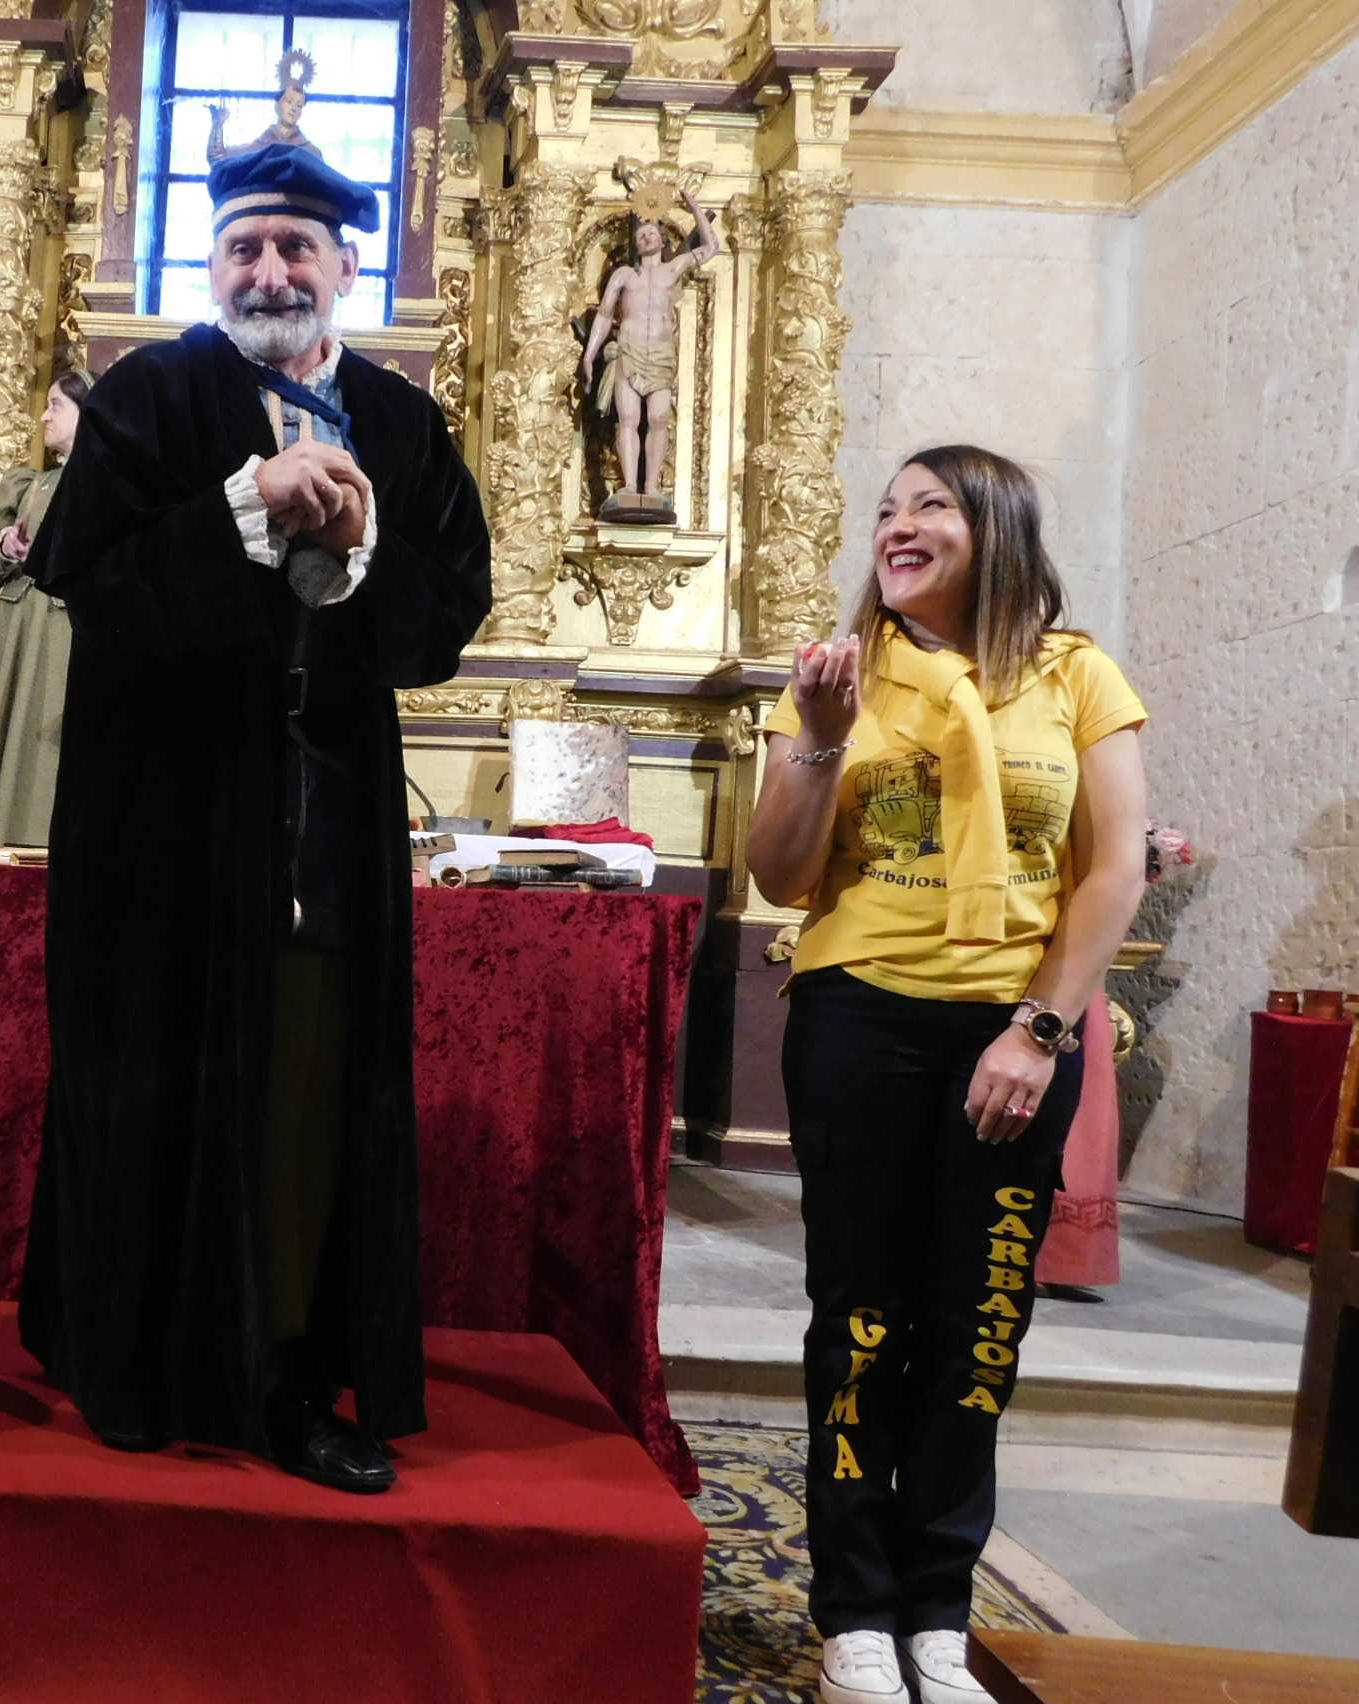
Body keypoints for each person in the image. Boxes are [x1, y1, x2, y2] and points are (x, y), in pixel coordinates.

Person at [16, 141, 492, 1494]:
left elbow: (447, 615)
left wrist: (353, 556)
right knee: (145, 1082)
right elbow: (88, 580)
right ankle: (132, 1359)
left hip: (325, 826)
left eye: (296, 248)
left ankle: (282, 1375)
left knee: (303, 1096)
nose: (269, 271)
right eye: (243, 248)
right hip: (158, 823)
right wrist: (245, 503)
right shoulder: (149, 394)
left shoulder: (400, 424)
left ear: (346, 269)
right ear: (211, 265)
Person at [747, 446, 1148, 1704]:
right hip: (859, 1019)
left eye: (929, 505)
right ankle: (854, 1612)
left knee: (978, 1325)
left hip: (1014, 1030)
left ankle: (937, 1607)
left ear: (996, 528)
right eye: (886, 509)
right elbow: (780, 876)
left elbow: (1112, 867)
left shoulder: (1076, 675)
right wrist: (818, 744)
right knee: (860, 1316)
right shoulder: (839, 678)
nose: (897, 525)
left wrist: (1038, 1030)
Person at [0, 370, 89, 847]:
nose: (44, 417)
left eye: (56, 405)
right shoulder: (26, 485)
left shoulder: (110, 487)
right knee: (7, 737)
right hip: (18, 633)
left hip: (64, 637)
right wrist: (6, 549)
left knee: (47, 753)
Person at [579, 192, 719, 507]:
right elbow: (604, 315)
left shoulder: (673, 268)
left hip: (660, 354)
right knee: (627, 418)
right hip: (629, 351)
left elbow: (711, 247)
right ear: (636, 245)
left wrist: (695, 208)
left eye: (651, 233)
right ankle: (630, 485)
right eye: (641, 235)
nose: (646, 238)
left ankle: (651, 487)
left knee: (658, 418)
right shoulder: (624, 275)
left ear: (661, 240)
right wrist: (589, 356)